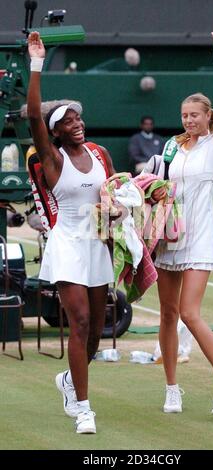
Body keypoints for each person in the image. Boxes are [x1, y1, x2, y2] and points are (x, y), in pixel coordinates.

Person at [144, 23, 213, 415]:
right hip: (169, 238)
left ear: (208, 117)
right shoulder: (172, 146)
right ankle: (172, 389)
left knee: (189, 312)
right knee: (168, 314)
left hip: (200, 238)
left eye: (195, 115)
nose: (188, 120)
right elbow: (159, 183)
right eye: (184, 115)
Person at [27, 32, 115, 434]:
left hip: (98, 245)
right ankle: (84, 409)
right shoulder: (52, 160)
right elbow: (32, 117)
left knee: (96, 332)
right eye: (67, 121)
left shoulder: (100, 154)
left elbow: (116, 195)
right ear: (55, 132)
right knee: (78, 323)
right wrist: (36, 64)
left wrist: (119, 211)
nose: (76, 123)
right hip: (67, 245)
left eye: (78, 118)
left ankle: (68, 381)